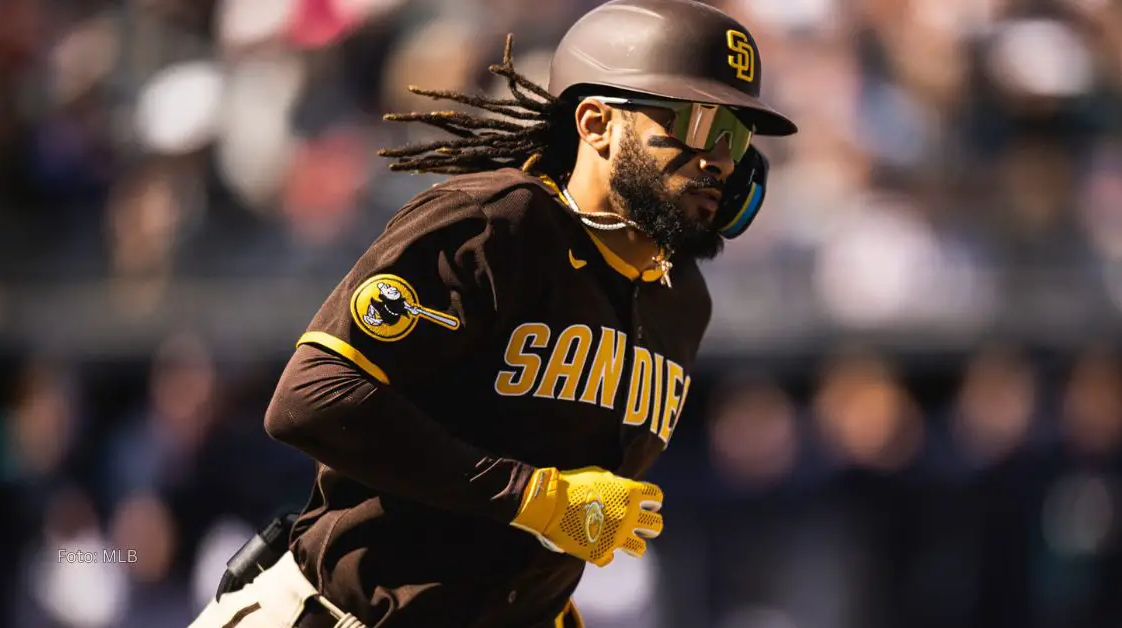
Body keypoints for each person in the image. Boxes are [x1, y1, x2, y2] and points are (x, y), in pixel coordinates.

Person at [190, 0, 797, 626]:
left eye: (738, 134)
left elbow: (535, 528)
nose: (720, 160)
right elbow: (311, 399)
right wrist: (532, 496)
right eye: (700, 124)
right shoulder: (496, 225)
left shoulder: (681, 301)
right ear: (596, 124)